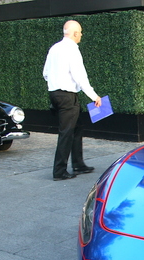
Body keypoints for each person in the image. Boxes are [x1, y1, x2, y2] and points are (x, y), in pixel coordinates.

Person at [43, 20, 102, 181]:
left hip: (54, 94)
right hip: (67, 96)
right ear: (75, 33)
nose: (81, 35)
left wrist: (54, 84)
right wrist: (94, 96)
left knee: (76, 128)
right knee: (67, 132)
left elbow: (46, 73)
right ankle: (59, 171)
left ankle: (78, 164)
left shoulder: (54, 48)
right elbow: (80, 76)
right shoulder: (72, 50)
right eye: (80, 32)